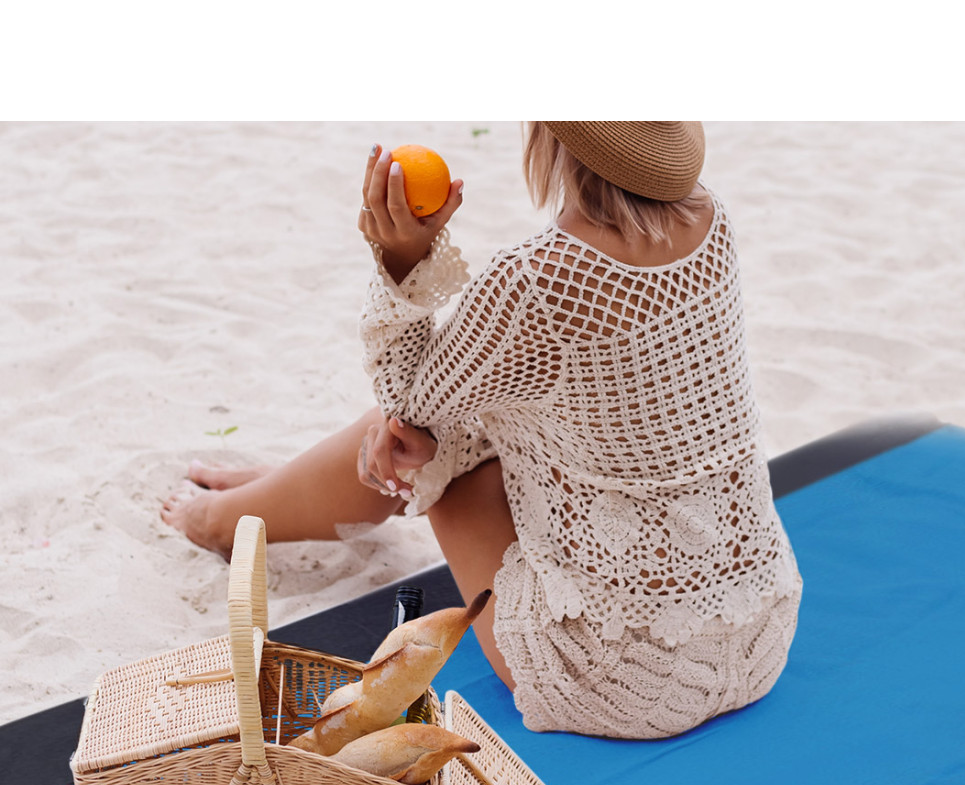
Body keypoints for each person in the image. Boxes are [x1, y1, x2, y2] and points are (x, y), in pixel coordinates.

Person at [162, 122, 802, 739]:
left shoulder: (537, 279)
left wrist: (403, 259)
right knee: (445, 429)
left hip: (619, 680)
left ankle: (223, 520)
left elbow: (404, 399)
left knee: (410, 443)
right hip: (758, 635)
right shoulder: (712, 219)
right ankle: (276, 491)